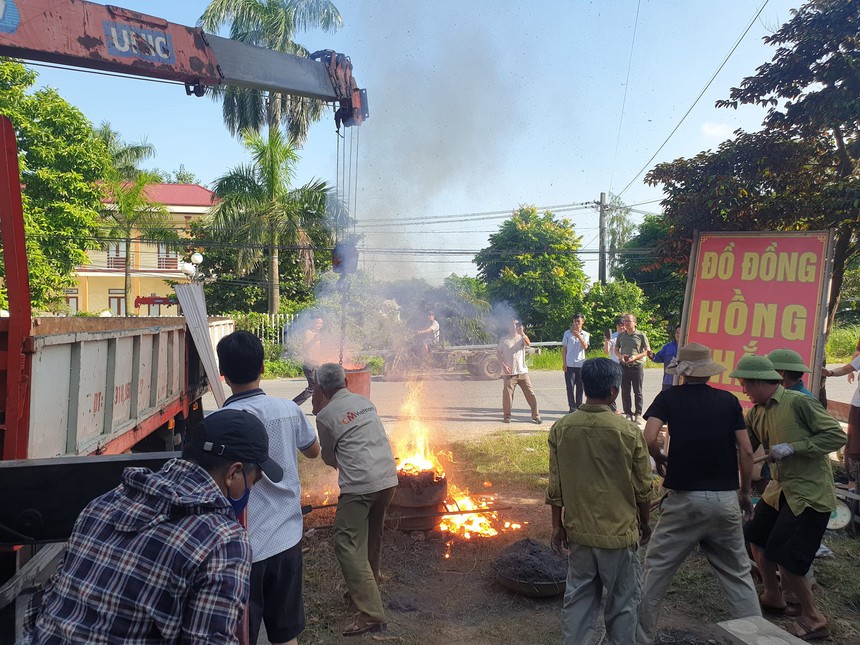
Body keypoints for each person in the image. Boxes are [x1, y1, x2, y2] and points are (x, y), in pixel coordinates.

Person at [24, 408, 284, 644]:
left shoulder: (104, 503)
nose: (250, 489)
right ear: (233, 473)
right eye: (253, 480)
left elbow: (47, 605)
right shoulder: (223, 542)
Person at [637, 343, 760, 644]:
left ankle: (638, 638)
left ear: (681, 372)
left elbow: (649, 437)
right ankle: (758, 639)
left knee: (655, 574)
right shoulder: (729, 401)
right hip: (726, 500)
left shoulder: (668, 398)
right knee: (738, 576)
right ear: (708, 372)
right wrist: (744, 492)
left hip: (684, 502)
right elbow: (745, 449)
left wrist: (661, 458)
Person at [731, 355, 846, 642]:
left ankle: (813, 618)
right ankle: (773, 595)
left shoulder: (799, 403)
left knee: (787, 555)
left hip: (808, 492)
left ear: (760, 381)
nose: (743, 389)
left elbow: (835, 436)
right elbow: (745, 448)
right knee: (755, 537)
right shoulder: (757, 413)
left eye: (745, 384)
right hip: (778, 490)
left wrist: (795, 447)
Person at [217, 330, 320, 645]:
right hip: (287, 539)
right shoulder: (288, 410)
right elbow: (313, 450)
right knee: (286, 632)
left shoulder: (220, 422)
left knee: (241, 634)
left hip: (245, 549)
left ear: (223, 374)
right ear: (263, 368)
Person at [547, 358, 652, 645]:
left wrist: (557, 527)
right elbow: (644, 488)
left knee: (578, 599)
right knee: (622, 603)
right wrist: (645, 522)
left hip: (578, 532)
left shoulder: (561, 428)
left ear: (583, 387)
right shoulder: (628, 431)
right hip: (618, 536)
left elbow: (555, 486)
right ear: (615, 391)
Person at [316, 362, 399, 637]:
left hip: (360, 485)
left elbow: (327, 457)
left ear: (322, 389)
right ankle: (370, 582)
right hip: (388, 478)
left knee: (346, 542)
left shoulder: (326, 415)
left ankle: (371, 613)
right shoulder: (365, 402)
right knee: (372, 535)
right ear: (346, 382)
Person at [822, 344, 860, 486]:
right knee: (854, 445)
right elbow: (845, 369)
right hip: (858, 407)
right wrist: (830, 373)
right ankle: (852, 483)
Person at [497, 318, 541, 424]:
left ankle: (536, 416)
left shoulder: (521, 338)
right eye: (512, 325)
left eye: (516, 325)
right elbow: (498, 354)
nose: (514, 327)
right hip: (509, 373)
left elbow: (528, 344)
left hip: (522, 372)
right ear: (508, 326)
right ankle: (507, 416)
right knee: (507, 395)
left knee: (530, 393)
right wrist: (503, 365)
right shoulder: (504, 340)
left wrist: (523, 333)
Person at [614, 313, 651, 423]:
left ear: (635, 323)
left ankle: (638, 413)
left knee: (637, 391)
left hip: (636, 366)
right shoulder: (621, 335)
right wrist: (621, 357)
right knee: (625, 391)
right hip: (624, 366)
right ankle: (628, 413)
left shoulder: (641, 335)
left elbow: (647, 351)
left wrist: (635, 357)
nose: (626, 323)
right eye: (625, 321)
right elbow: (616, 350)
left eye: (628, 321)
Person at [293, 316, 324, 407]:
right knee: (312, 388)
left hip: (316, 363)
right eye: (317, 323)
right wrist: (314, 340)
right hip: (309, 363)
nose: (319, 325)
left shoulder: (318, 334)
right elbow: (305, 347)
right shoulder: (307, 333)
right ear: (312, 323)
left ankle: (317, 408)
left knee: (318, 387)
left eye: (320, 323)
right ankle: (293, 404)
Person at [561, 313, 590, 412]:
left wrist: (579, 337)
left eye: (578, 321)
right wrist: (564, 363)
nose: (576, 323)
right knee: (570, 387)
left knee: (580, 387)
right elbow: (564, 349)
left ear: (582, 322)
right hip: (569, 364)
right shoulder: (567, 333)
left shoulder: (585, 334)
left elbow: (585, 347)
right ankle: (572, 407)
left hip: (580, 364)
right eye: (574, 321)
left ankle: (579, 405)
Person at [648, 326, 680, 391]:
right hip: (668, 382)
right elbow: (658, 358)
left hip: (683, 383)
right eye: (677, 332)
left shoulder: (689, 347)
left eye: (680, 333)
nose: (678, 335)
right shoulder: (668, 347)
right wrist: (652, 356)